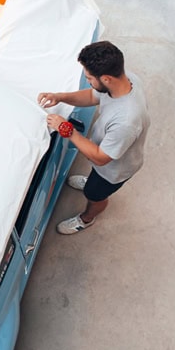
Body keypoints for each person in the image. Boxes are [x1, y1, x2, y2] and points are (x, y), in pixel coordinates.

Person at [37, 41, 150, 234]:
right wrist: (60, 97)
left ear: (105, 78)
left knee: (94, 194)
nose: (87, 80)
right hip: (106, 157)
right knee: (94, 179)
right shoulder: (124, 79)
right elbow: (92, 96)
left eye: (89, 77)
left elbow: (100, 157)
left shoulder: (126, 121)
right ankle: (91, 182)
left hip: (113, 170)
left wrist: (66, 129)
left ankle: (87, 218)